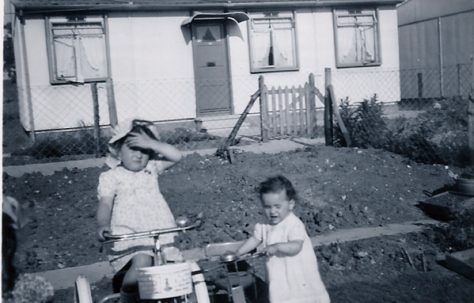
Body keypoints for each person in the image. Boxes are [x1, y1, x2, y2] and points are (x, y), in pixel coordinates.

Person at [96, 119, 183, 302]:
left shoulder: (151, 169)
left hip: (159, 234)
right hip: (131, 238)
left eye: (144, 150)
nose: (139, 155)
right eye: (133, 148)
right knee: (142, 261)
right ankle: (127, 297)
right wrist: (103, 224)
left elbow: (177, 156)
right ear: (118, 152)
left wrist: (152, 143)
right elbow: (105, 204)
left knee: (172, 270)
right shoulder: (111, 177)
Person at [236, 175, 330, 303]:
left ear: (290, 204)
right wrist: (238, 253)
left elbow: (296, 246)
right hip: (279, 274)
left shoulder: (293, 224)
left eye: (277, 206)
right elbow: (254, 239)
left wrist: (277, 246)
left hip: (299, 273)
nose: (272, 211)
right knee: (281, 295)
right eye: (267, 207)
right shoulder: (264, 225)